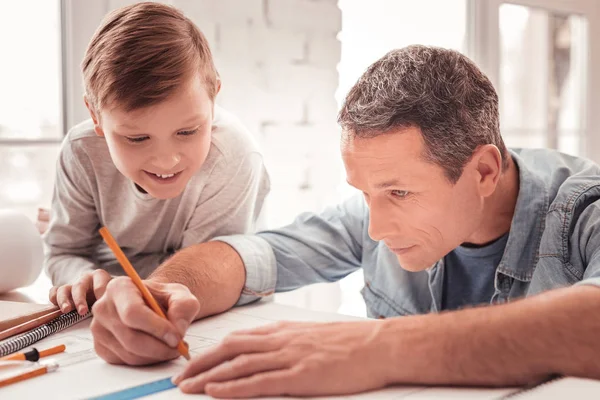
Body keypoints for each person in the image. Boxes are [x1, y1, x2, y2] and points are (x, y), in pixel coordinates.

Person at [90, 45, 600, 398]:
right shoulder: (377, 212)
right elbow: (258, 256)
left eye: (399, 192)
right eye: (366, 193)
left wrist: (377, 350)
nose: (375, 227)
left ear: (483, 170)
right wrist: (161, 292)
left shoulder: (584, 210)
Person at [43, 1, 270, 324]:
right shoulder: (82, 151)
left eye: (188, 131)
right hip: (113, 315)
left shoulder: (234, 155)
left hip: (221, 317)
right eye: (136, 138)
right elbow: (63, 252)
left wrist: (115, 276)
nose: (167, 160)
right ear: (95, 116)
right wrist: (83, 277)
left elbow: (198, 278)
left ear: (214, 97)